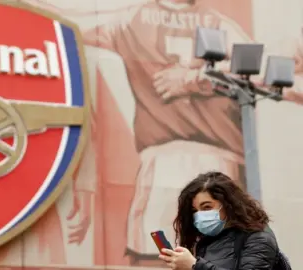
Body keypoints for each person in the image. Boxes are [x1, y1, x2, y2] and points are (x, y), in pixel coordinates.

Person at [83, 0, 251, 261]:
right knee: (170, 252)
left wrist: (190, 79)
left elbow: (252, 69)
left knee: (160, 253)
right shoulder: (213, 22)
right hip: (177, 158)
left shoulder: (129, 18)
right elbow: (253, 67)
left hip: (200, 158)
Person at [159, 171, 277, 270]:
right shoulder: (206, 243)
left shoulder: (258, 237)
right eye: (194, 211)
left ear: (228, 205)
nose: (200, 215)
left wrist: (194, 265)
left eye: (207, 207)